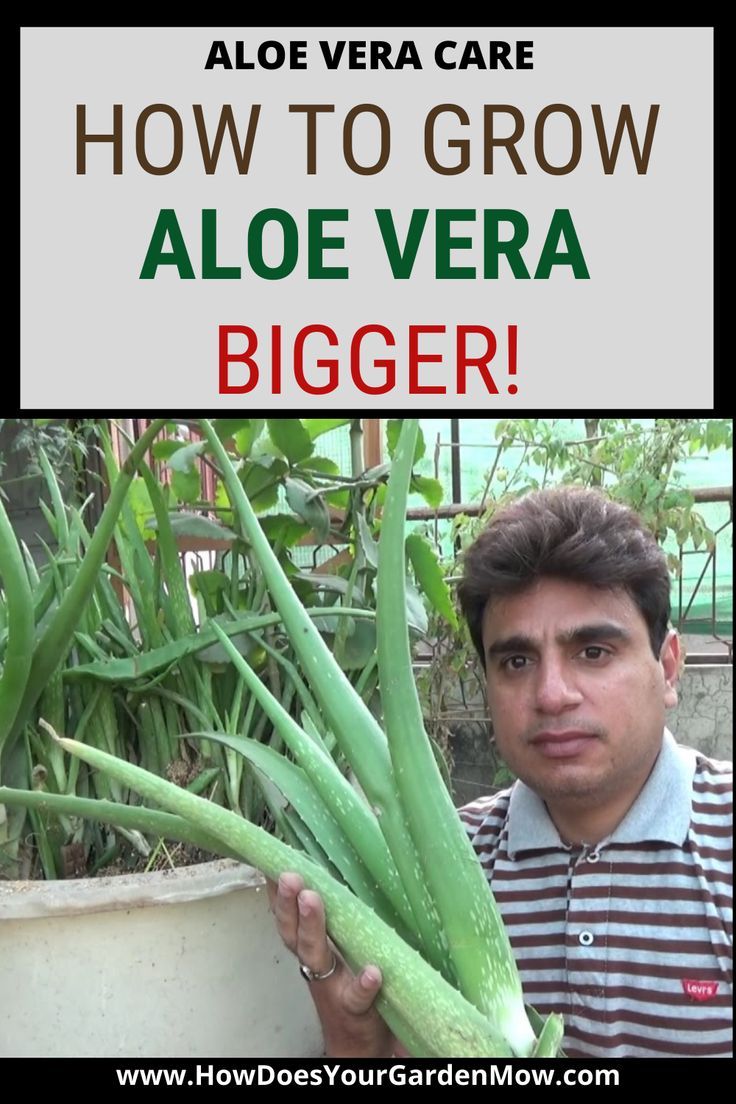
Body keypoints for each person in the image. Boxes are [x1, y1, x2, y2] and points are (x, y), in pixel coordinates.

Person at [270, 486, 733, 1059]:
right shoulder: (438, 868)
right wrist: (354, 1037)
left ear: (666, 667)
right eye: (516, 661)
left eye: (593, 651)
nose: (552, 695)